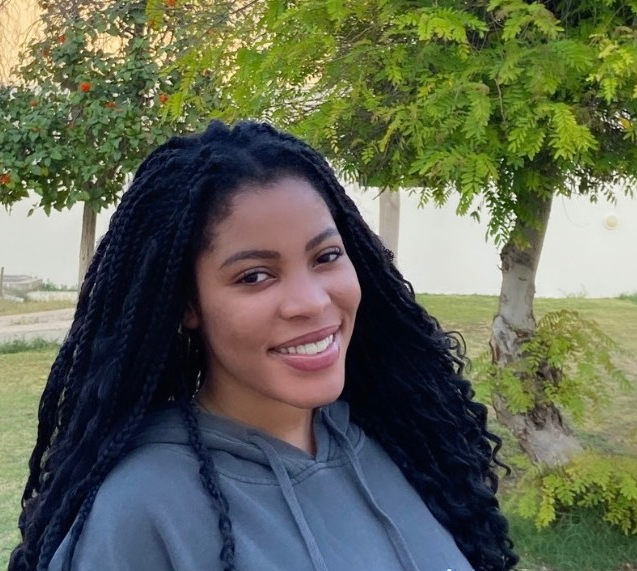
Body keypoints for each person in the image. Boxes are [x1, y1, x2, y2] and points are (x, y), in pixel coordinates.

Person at [10, 121, 518, 571]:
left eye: (326, 257)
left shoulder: (401, 442)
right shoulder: (140, 510)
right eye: (254, 276)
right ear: (188, 304)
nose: (311, 302)